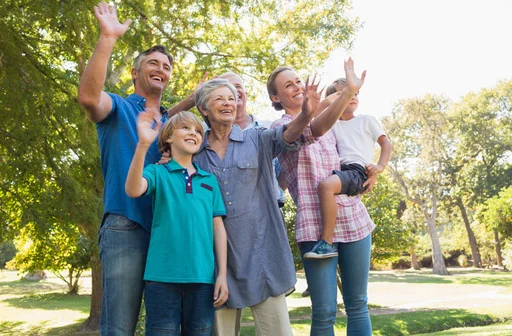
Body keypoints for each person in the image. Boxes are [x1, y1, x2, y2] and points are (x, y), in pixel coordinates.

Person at [191, 77, 332, 336]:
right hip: (215, 265)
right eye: (220, 98)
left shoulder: (257, 138)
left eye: (232, 99)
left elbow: (288, 135)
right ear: (203, 109)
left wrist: (305, 114)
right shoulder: (194, 151)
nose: (228, 103)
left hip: (263, 257)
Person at [78, 2, 175, 335]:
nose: (161, 68)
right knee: (119, 328)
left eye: (166, 66)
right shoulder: (119, 107)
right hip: (126, 226)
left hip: (167, 232)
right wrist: (108, 37)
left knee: (166, 328)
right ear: (135, 72)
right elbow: (90, 98)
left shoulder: (172, 125)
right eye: (153, 63)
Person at [269, 58, 375, 335]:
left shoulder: (328, 118)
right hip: (315, 228)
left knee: (357, 304)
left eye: (298, 81)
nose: (296, 87)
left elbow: (351, 150)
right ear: (276, 97)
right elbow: (313, 130)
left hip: (352, 216)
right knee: (325, 312)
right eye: (287, 85)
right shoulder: (278, 129)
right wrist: (346, 93)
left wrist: (372, 170)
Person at [125, 111, 228, 335]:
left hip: (202, 279)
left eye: (198, 131)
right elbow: (133, 189)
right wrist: (143, 146)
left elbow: (218, 228)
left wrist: (221, 275)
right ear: (168, 138)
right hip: (161, 278)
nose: (193, 133)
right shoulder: (157, 172)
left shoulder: (209, 180)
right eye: (186, 128)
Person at [305, 78, 392, 259]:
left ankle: (326, 243)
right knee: (325, 186)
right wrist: (328, 102)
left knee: (326, 186)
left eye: (355, 94)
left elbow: (386, 143)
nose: (353, 97)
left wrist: (379, 167)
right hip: (339, 170)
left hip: (358, 171)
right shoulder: (332, 125)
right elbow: (313, 119)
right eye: (346, 94)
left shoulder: (366, 120)